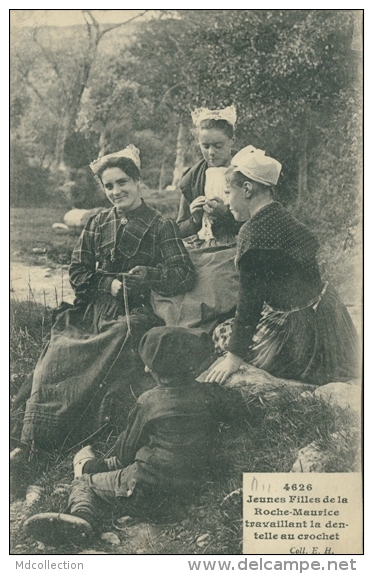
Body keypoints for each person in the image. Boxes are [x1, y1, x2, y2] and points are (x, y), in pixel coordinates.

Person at [11, 145, 196, 460]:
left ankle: (56, 439)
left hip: (135, 312)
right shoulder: (96, 223)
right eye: (108, 186)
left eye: (122, 182)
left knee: (113, 340)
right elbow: (78, 273)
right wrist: (108, 284)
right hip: (93, 309)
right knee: (60, 347)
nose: (116, 191)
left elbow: (183, 274)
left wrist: (150, 275)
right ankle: (29, 438)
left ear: (137, 182)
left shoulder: (160, 224)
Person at [23, 326, 246, 545]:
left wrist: (96, 465)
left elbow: (124, 455)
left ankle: (82, 518)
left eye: (150, 366)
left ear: (156, 371)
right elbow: (238, 408)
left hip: (146, 488)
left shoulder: (148, 401)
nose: (147, 370)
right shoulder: (210, 394)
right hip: (190, 490)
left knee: (83, 481)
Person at [205, 145, 360, 386]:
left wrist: (233, 359)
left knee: (220, 334)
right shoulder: (283, 218)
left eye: (228, 192)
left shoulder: (253, 235)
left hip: (297, 336)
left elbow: (249, 305)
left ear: (247, 189)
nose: (227, 200)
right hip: (327, 319)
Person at [176, 105, 242, 242]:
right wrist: (194, 220)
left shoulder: (244, 172)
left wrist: (226, 215)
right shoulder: (192, 177)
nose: (211, 153)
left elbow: (259, 224)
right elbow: (179, 230)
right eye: (205, 146)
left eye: (218, 146)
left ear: (232, 141)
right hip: (202, 245)